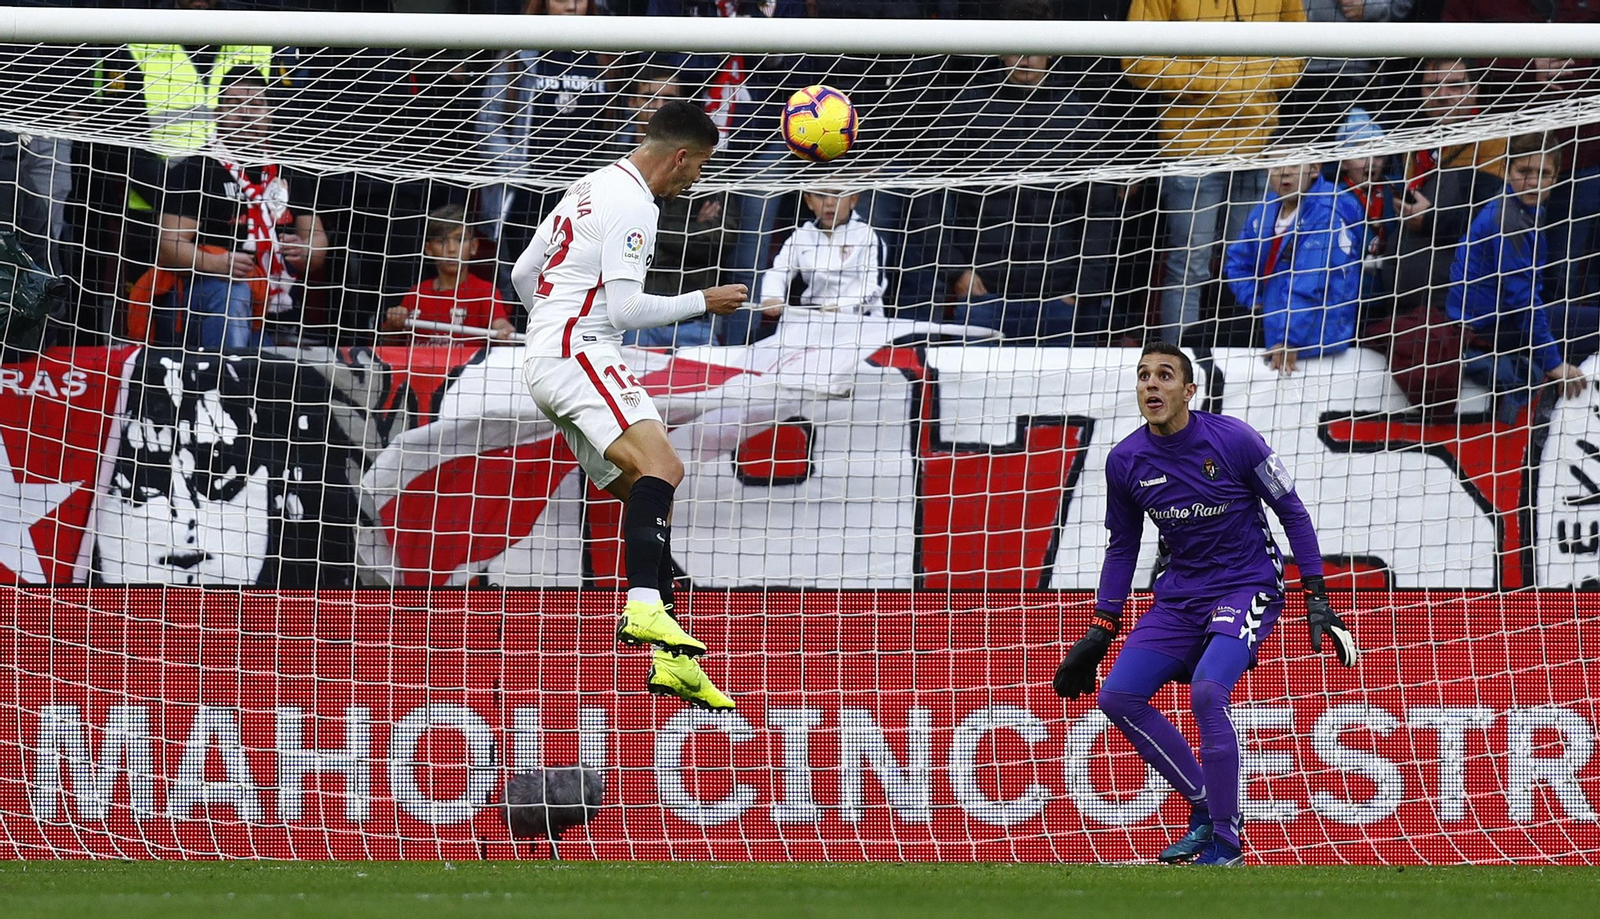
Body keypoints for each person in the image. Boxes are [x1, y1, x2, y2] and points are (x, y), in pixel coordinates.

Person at [1053, 342, 1360, 867]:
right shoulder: (1125, 461)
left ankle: (1226, 839)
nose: (1152, 384)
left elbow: (1293, 512)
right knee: (1117, 697)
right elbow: (1123, 547)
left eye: (1165, 375)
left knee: (1206, 693)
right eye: (1144, 375)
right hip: (1180, 596)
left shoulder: (1234, 439)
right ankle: (1204, 808)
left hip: (1249, 585)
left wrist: (1317, 598)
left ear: (1189, 391)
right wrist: (1103, 624)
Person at [512, 100, 748, 709]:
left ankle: (672, 658)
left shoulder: (587, 186)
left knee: (646, 492)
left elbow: (522, 273)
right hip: (581, 351)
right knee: (666, 468)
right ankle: (645, 610)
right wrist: (706, 300)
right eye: (699, 169)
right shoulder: (636, 203)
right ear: (680, 158)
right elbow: (624, 312)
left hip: (550, 355)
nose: (696, 181)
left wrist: (551, 328)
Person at [1123, 0, 1304, 344]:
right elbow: (1136, 61)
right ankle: (1179, 368)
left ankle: (1243, 355)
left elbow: (1300, 51)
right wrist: (1213, 81)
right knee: (1189, 266)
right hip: (1190, 148)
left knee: (1251, 264)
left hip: (1255, 147)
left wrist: (1255, 79)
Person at [150, 67, 328, 351]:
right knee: (232, 291)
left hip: (276, 302)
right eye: (234, 104)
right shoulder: (195, 169)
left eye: (256, 105)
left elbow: (317, 240)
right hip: (203, 296)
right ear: (218, 113)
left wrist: (306, 250)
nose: (245, 114)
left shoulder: (292, 172)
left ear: (270, 115)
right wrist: (217, 264)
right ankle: (227, 382)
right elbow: (168, 247)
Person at [1447, 134, 1591, 418]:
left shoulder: (1526, 207)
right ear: (1506, 170)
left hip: (1493, 317)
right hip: (1486, 328)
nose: (1533, 182)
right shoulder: (1509, 219)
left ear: (1555, 178)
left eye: (1544, 173)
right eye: (1524, 171)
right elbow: (1523, 301)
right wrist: (1553, 364)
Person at [1224, 159, 1364, 374]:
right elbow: (1237, 261)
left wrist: (1289, 339)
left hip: (1315, 336)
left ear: (1315, 169)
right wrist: (1253, 298)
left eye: (1294, 165)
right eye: (1277, 165)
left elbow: (1309, 284)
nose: (1284, 173)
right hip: (1272, 320)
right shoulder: (1266, 209)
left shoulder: (1328, 210)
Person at [1391, 58, 1506, 313]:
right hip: (1404, 301)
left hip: (1458, 305)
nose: (1441, 96)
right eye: (1431, 86)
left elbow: (1495, 222)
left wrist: (1430, 220)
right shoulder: (1414, 145)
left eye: (1453, 86)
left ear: (1474, 91)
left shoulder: (1493, 141)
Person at [382, 203, 516, 343]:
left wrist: (505, 330)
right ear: (429, 249)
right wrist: (393, 324)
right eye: (442, 241)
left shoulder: (485, 292)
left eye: (460, 240)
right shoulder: (416, 294)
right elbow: (388, 345)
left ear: (474, 246)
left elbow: (500, 323)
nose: (452, 249)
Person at [754, 187, 887, 321]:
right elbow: (779, 271)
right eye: (820, 195)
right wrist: (772, 296)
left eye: (837, 194)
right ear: (809, 201)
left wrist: (841, 307)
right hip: (813, 316)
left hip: (860, 319)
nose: (829, 203)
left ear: (853, 199)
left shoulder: (867, 235)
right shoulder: (802, 235)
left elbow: (874, 287)